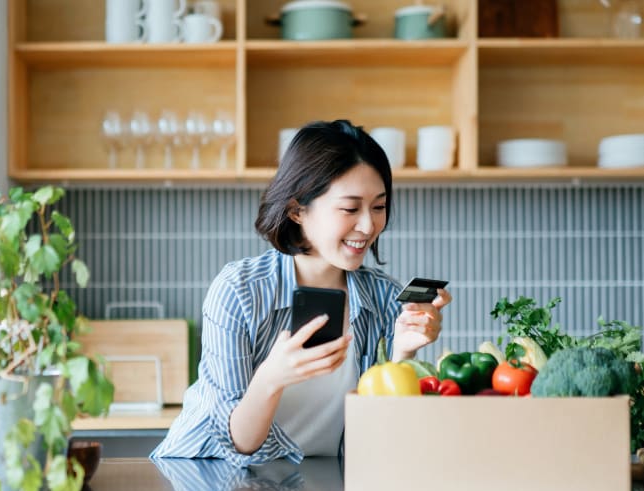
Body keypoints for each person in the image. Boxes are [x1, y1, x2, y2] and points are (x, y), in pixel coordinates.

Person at [150, 119, 451, 467]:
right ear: (297, 210)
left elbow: (381, 439)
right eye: (350, 208)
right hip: (209, 475)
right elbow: (238, 444)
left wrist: (402, 355)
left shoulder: (385, 299)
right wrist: (272, 378)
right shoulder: (240, 291)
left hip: (319, 481)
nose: (369, 225)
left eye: (379, 207)